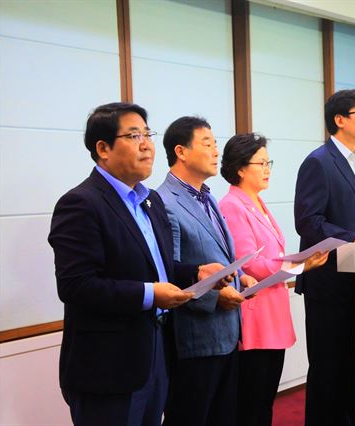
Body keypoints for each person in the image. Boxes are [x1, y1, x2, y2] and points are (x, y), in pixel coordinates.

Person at [48, 102, 222, 426]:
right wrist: (150, 295)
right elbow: (76, 285)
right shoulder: (80, 204)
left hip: (156, 353)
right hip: (108, 366)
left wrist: (196, 272)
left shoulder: (149, 200)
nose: (146, 144)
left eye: (148, 134)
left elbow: (158, 267)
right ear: (103, 148)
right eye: (133, 135)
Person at [218, 133, 328, 426]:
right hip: (255, 314)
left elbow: (271, 255)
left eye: (269, 163)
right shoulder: (232, 205)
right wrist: (299, 264)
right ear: (241, 168)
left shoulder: (258, 203)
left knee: (265, 399)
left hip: (272, 310)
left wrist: (300, 260)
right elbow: (249, 264)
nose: (267, 169)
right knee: (252, 402)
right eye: (261, 163)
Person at [156, 116, 257, 426]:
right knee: (191, 416)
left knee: (224, 416)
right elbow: (169, 271)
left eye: (216, 144)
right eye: (208, 144)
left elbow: (218, 256)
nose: (216, 151)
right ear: (181, 151)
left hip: (227, 330)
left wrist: (241, 277)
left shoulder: (209, 195)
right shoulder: (164, 201)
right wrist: (214, 299)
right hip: (195, 335)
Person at [294, 89, 355, 426]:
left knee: (352, 368)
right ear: (339, 120)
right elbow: (308, 221)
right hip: (328, 282)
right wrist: (354, 239)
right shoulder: (318, 162)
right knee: (328, 370)